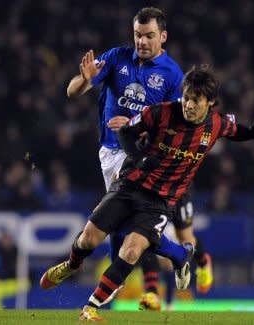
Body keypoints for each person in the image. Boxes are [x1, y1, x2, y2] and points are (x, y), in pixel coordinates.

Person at [41, 66, 254, 322]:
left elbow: (237, 131)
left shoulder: (216, 123)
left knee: (132, 250)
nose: (189, 105)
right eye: (187, 97)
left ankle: (89, 308)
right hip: (130, 186)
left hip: (160, 201)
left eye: (196, 100)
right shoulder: (161, 113)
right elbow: (125, 132)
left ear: (210, 102)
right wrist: (139, 157)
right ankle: (73, 265)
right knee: (88, 240)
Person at [66, 6, 213, 310]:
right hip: (108, 152)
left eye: (148, 36)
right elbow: (72, 92)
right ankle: (179, 256)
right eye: (137, 35)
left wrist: (135, 129)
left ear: (163, 36)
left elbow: (176, 126)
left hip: (141, 156)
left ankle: (147, 284)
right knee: (124, 223)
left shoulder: (173, 75)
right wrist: (84, 80)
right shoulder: (117, 57)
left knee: (129, 221)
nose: (142, 41)